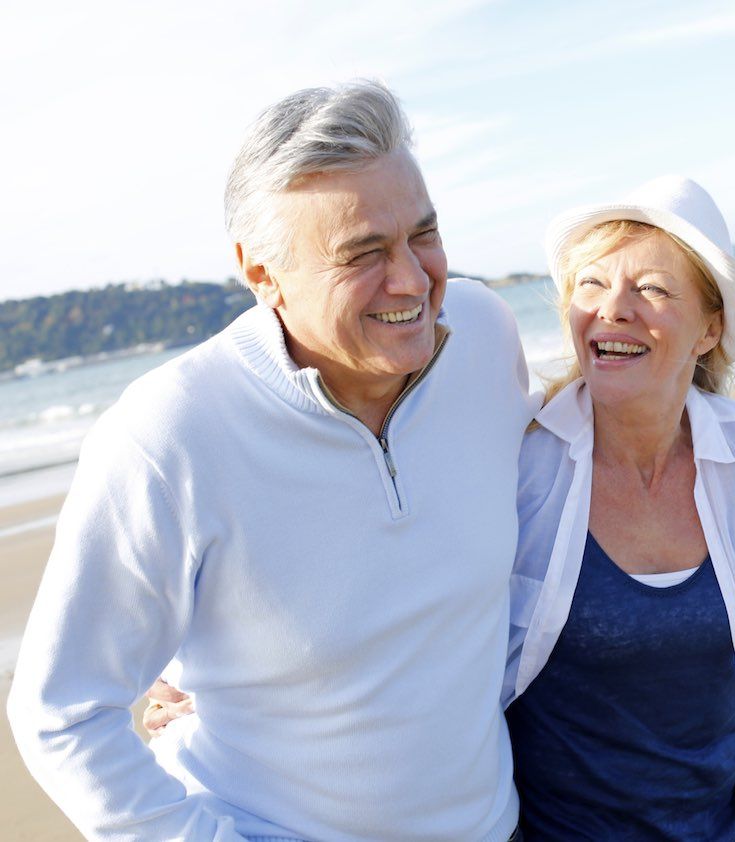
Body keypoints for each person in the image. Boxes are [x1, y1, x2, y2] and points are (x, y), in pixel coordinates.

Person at [7, 81, 535, 840]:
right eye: (364, 254)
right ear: (262, 276)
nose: (414, 281)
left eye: (423, 233)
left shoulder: (485, 332)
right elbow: (59, 712)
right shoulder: (170, 435)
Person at [502, 176, 735, 839]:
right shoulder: (516, 463)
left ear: (709, 330)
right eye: (591, 284)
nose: (613, 309)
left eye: (653, 290)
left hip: (730, 826)